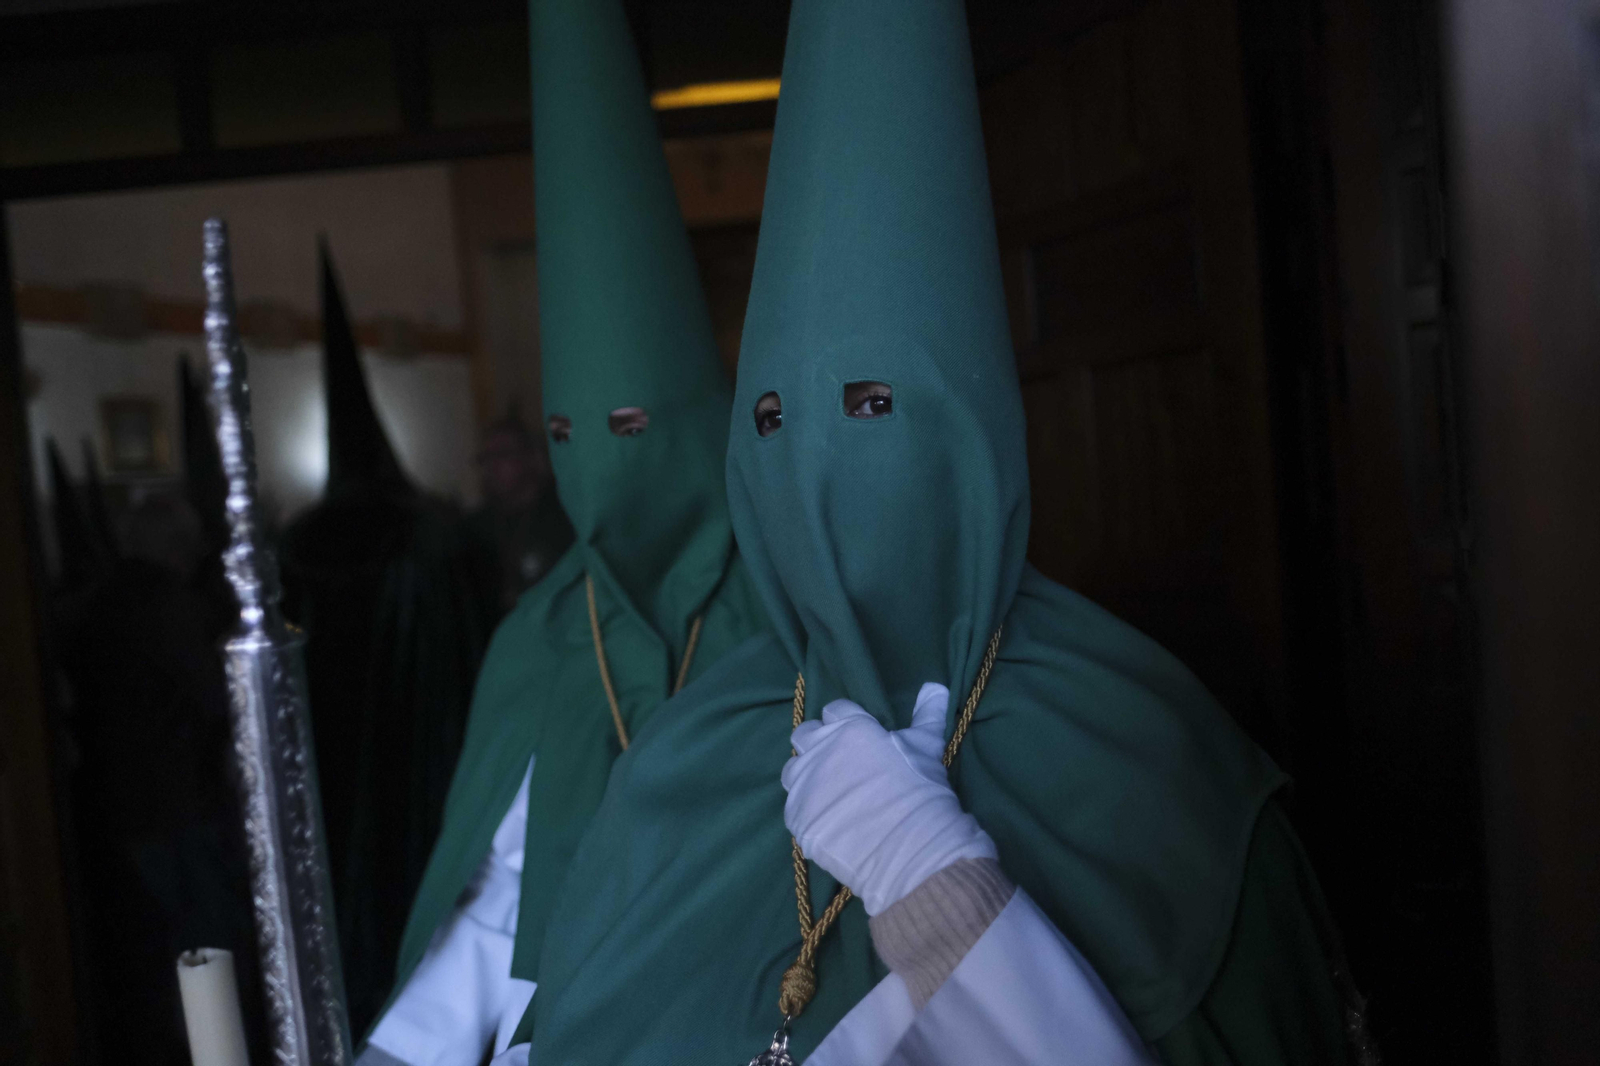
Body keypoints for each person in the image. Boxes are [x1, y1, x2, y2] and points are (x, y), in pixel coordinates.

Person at [518, 1, 1371, 1064]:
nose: (818, 458)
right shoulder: (684, 762)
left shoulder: (1150, 752)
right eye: (774, 417)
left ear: (971, 427)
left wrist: (933, 885)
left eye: (871, 404)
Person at [354, 1, 770, 1063]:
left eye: (632, 427)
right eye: (571, 432)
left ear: (696, 426)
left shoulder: (793, 607)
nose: (604, 455)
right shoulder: (543, 636)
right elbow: (499, 907)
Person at [468, 408, 574, 613]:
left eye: (502, 454)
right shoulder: (475, 529)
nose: (492, 465)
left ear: (532, 457)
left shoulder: (563, 520)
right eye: (486, 457)